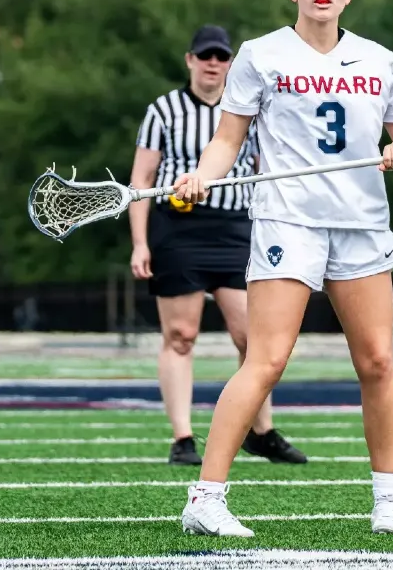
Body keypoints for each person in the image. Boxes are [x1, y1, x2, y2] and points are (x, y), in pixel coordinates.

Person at [172, 0, 393, 538]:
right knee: (266, 360)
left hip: (362, 223)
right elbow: (227, 142)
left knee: (378, 361)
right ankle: (205, 498)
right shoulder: (261, 55)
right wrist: (201, 177)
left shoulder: (379, 60)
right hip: (290, 220)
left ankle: (389, 499)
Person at [129, 25, 307, 467]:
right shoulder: (164, 110)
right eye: (205, 56)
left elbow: (271, 167)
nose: (213, 64)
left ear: (230, 63)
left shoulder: (247, 108)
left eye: (221, 57)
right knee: (181, 335)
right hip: (180, 230)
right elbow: (141, 180)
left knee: (253, 336)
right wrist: (139, 243)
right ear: (190, 60)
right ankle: (182, 437)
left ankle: (261, 431)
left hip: (237, 228)